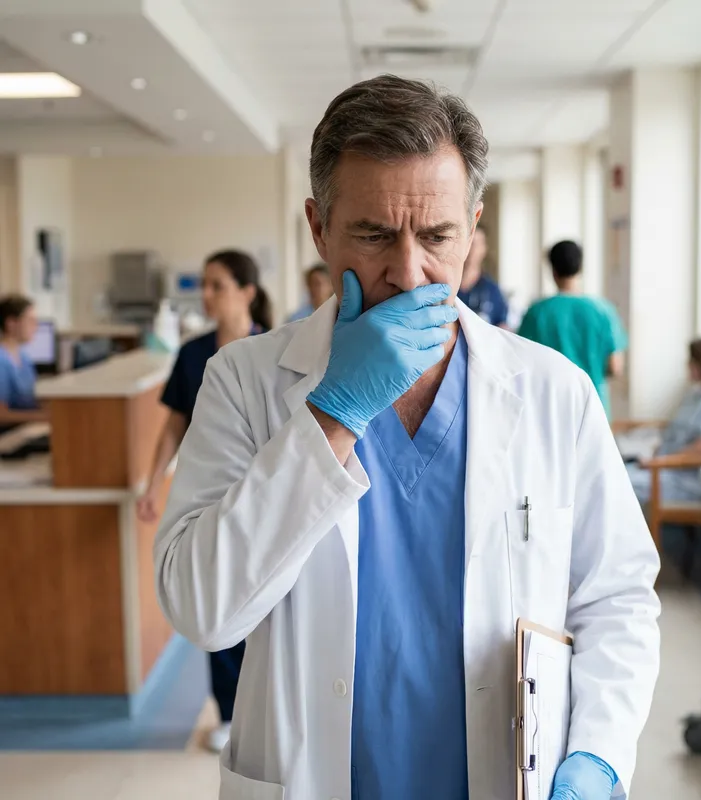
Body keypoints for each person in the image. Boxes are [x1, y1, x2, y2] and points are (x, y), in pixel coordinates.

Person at [154, 75, 660, 800]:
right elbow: (204, 610)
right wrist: (332, 415)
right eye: (373, 233)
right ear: (318, 227)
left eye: (437, 236)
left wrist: (600, 753)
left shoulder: (554, 393)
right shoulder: (244, 382)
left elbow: (617, 597)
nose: (408, 271)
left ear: (473, 230)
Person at [137, 249, 271, 754]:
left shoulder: (273, 347)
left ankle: (264, 706)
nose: (208, 296)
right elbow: (174, 425)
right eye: (206, 286)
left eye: (218, 285)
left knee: (265, 607)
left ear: (247, 292)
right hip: (210, 496)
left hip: (262, 496)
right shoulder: (193, 354)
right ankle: (229, 711)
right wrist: (153, 485)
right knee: (217, 600)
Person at [626, 337, 701, 505]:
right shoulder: (700, 391)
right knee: (610, 476)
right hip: (668, 468)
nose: (687, 365)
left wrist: (658, 462)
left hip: (690, 478)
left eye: (691, 360)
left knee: (615, 486)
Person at [518, 240, 627, 417]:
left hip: (550, 407)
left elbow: (522, 362)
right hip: (593, 406)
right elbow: (615, 366)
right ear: (581, 268)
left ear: (552, 271)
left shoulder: (537, 313)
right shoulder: (603, 311)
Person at [0, 295, 48, 430]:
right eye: (30, 321)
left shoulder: (23, 356)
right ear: (11, 323)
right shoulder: (1, 360)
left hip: (26, 427)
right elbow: (1, 415)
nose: (36, 326)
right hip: (9, 433)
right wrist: (44, 417)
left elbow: (32, 398)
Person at [456, 226, 509, 327]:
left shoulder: (493, 291)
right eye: (468, 243)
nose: (471, 249)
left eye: (476, 244)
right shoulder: (445, 286)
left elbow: (502, 327)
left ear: (484, 249)